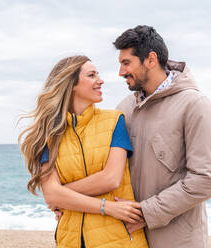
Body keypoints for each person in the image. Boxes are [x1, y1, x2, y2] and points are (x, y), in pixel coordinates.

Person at [113, 25, 211, 248]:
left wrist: (147, 212)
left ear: (151, 60)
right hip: (130, 240)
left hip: (178, 241)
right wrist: (71, 202)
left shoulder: (196, 106)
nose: (121, 72)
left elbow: (207, 179)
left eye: (126, 63)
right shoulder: (124, 109)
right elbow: (106, 166)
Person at [18, 55, 148, 248]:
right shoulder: (48, 135)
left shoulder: (114, 121)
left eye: (98, 74)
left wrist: (60, 195)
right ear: (71, 84)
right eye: (92, 75)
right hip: (70, 240)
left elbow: (111, 178)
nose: (100, 80)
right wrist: (108, 207)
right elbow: (51, 195)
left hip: (118, 238)